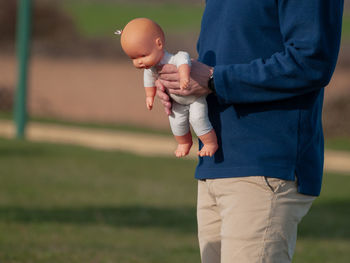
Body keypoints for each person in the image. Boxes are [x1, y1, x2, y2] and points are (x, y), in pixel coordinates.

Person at [156, 0, 344, 262]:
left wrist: (213, 79)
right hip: (216, 164)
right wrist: (183, 82)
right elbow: (222, 62)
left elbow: (311, 61)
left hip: (266, 166)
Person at [118, 18, 218, 157]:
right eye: (133, 58)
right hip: (176, 101)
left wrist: (184, 77)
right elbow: (148, 81)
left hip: (195, 97)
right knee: (176, 122)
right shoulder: (151, 69)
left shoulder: (173, 59)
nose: (139, 62)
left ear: (158, 44)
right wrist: (149, 96)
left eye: (143, 55)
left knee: (197, 119)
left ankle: (210, 143)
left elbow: (184, 59)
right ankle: (184, 143)